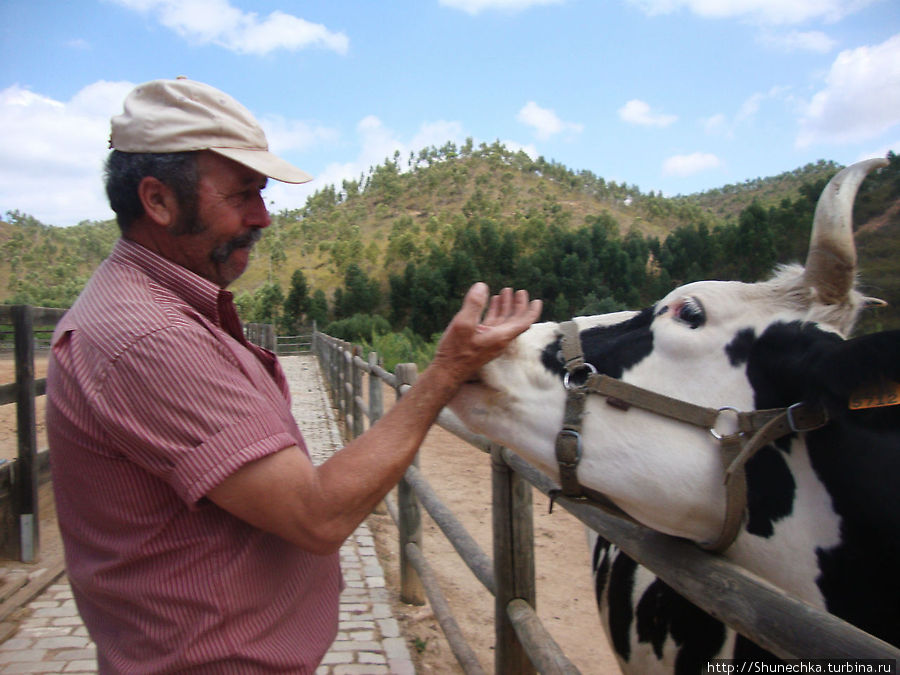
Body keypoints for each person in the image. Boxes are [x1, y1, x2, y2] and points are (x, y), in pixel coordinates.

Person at [46, 77, 542, 673]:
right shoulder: (152, 337)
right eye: (242, 194)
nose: (264, 217)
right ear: (157, 200)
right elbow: (317, 514)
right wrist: (444, 374)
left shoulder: (154, 308)